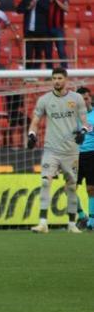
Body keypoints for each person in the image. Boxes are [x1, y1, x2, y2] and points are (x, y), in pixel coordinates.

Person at [28, 68, 91, 234]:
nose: (56, 81)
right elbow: (35, 120)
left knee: (71, 187)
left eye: (59, 78)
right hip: (51, 149)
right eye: (54, 78)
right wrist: (32, 134)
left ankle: (72, 224)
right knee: (45, 181)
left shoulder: (77, 99)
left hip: (71, 150)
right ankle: (43, 223)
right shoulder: (44, 100)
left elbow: (85, 122)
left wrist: (83, 132)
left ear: (66, 79)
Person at [16, 0, 51, 70]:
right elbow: (19, 10)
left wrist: (37, 1)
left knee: (38, 54)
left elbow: (48, 9)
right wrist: (29, 6)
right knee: (28, 54)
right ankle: (28, 73)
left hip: (41, 31)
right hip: (29, 31)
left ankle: (36, 72)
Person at [76, 87, 94, 229]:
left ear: (90, 99)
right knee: (69, 188)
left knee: (91, 189)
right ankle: (82, 216)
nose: (84, 102)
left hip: (91, 154)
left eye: (86, 99)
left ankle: (92, 222)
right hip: (75, 156)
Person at [47, 0, 70, 67]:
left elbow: (66, 9)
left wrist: (56, 0)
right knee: (48, 52)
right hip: (47, 28)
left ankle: (65, 70)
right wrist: (51, 0)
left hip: (58, 28)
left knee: (61, 50)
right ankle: (49, 72)